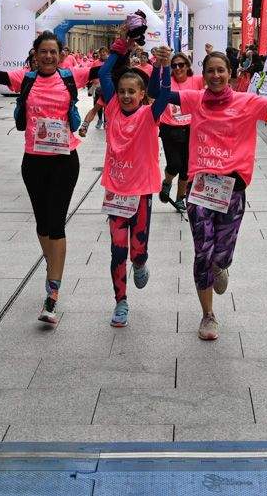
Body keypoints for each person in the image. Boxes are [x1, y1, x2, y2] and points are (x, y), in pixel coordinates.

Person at [0, 31, 99, 326]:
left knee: (56, 224)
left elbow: (105, 68)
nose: (49, 57)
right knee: (42, 224)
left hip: (65, 161)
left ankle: (52, 293)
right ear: (35, 54)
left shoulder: (71, 76)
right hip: (34, 162)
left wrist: (126, 45)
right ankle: (52, 267)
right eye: (44, 52)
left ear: (60, 54)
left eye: (54, 52)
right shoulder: (24, 78)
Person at [178, 50, 267, 341]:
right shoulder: (194, 99)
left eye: (221, 71)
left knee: (220, 254)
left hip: (233, 190)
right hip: (200, 189)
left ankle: (221, 264)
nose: (215, 76)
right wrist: (163, 67)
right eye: (210, 71)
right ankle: (208, 315)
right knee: (202, 252)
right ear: (204, 75)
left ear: (231, 73)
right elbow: (161, 98)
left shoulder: (247, 102)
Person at [94, 35, 173, 327]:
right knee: (117, 250)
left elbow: (164, 95)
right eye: (123, 91)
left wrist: (163, 66)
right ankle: (121, 301)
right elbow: (104, 73)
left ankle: (140, 263)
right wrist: (121, 46)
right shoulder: (112, 108)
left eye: (132, 92)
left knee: (137, 251)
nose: (126, 96)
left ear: (141, 95)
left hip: (140, 194)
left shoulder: (149, 115)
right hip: (116, 193)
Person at [158, 52, 202, 212]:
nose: (178, 68)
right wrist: (160, 64)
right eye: (174, 65)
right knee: (174, 164)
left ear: (187, 65)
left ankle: (179, 199)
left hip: (191, 128)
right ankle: (167, 182)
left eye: (181, 65)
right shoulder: (168, 81)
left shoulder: (196, 80)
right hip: (169, 127)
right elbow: (155, 90)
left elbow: (215, 83)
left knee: (186, 169)